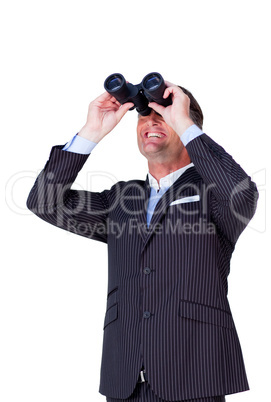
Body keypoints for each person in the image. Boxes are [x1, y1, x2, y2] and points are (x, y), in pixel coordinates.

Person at [27, 80, 258, 402]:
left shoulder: (215, 196)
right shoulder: (122, 198)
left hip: (195, 373)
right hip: (125, 377)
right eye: (144, 114)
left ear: (185, 123)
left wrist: (184, 120)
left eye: (164, 114)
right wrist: (91, 132)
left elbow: (241, 191)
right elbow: (44, 203)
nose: (151, 120)